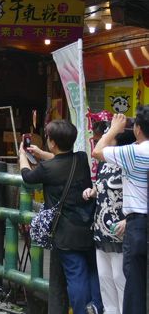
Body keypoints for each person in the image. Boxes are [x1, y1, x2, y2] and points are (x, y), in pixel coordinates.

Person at [20, 120, 102, 314]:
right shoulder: (81, 159)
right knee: (92, 271)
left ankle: (82, 311)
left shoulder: (47, 169)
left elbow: (27, 176)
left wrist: (23, 156)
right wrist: (42, 153)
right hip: (88, 225)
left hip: (65, 232)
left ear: (53, 142)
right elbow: (62, 161)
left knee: (75, 275)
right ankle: (97, 307)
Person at [93, 107, 149, 314]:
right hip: (134, 223)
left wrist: (113, 130)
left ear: (138, 129)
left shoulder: (135, 152)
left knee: (133, 286)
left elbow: (97, 151)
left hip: (137, 224)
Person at [82, 129, 135, 314]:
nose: (103, 141)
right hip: (101, 228)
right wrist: (92, 191)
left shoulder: (130, 164)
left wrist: (129, 221)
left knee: (120, 279)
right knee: (104, 278)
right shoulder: (105, 164)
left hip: (120, 230)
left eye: (108, 137)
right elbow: (101, 185)